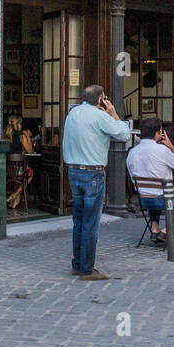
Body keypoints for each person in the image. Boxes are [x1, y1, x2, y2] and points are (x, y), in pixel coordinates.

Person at [62, 84, 131, 281]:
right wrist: (113, 113)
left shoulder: (72, 114)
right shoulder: (100, 117)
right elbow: (124, 134)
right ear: (100, 99)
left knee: (79, 220)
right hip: (92, 173)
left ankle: (77, 264)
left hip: (73, 171)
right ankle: (86, 268)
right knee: (90, 222)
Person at [126, 117, 174, 242]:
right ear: (158, 134)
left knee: (153, 193)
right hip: (165, 200)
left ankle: (155, 228)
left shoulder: (132, 152)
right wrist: (171, 146)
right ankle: (167, 231)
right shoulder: (162, 150)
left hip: (144, 200)